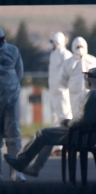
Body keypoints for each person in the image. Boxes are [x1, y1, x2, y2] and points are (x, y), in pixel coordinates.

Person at [4, 68, 96, 177]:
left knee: (43, 133)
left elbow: (83, 120)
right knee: (47, 136)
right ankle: (35, 168)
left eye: (86, 77)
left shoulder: (94, 95)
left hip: (81, 136)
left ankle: (21, 162)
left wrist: (68, 123)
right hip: (87, 134)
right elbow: (87, 119)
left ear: (91, 79)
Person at [23, 32, 74, 175]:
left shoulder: (65, 54)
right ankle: (57, 147)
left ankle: (64, 146)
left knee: (64, 115)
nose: (51, 44)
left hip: (62, 92)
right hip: (54, 91)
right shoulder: (53, 55)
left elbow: (68, 72)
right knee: (56, 116)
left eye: (52, 41)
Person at [0, 27, 26, 182]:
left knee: (14, 135)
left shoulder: (13, 51)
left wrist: (11, 89)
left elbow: (19, 72)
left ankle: (16, 171)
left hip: (11, 99)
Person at [60, 37, 96, 119]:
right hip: (75, 95)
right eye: (77, 47)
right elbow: (63, 79)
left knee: (91, 115)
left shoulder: (92, 60)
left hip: (90, 93)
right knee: (76, 116)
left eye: (81, 47)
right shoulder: (68, 63)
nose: (80, 49)